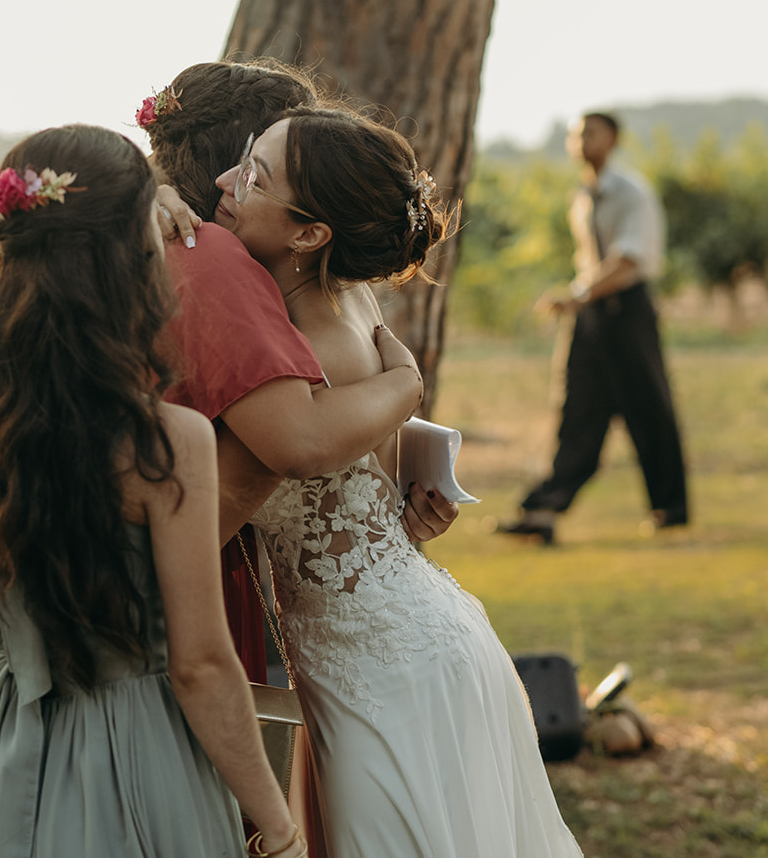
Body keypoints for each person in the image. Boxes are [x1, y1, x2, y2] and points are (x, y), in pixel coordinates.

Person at [216, 109, 581, 857]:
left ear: (310, 234)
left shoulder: (304, 347)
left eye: (254, 175)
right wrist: (399, 504)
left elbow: (308, 447)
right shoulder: (345, 297)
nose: (227, 181)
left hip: (387, 671)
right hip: (405, 636)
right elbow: (363, 460)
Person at [0, 125, 304, 858]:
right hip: (138, 756)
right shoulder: (163, 443)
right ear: (131, 260)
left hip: (13, 755)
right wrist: (280, 825)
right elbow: (201, 666)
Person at [499, 111, 688, 544]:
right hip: (590, 312)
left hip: (627, 308)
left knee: (648, 408)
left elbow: (628, 260)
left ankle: (669, 508)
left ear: (613, 139)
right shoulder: (583, 195)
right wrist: (581, 299)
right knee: (577, 408)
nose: (581, 142)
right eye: (575, 135)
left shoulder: (630, 192)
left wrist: (579, 294)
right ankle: (543, 510)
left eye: (590, 133)